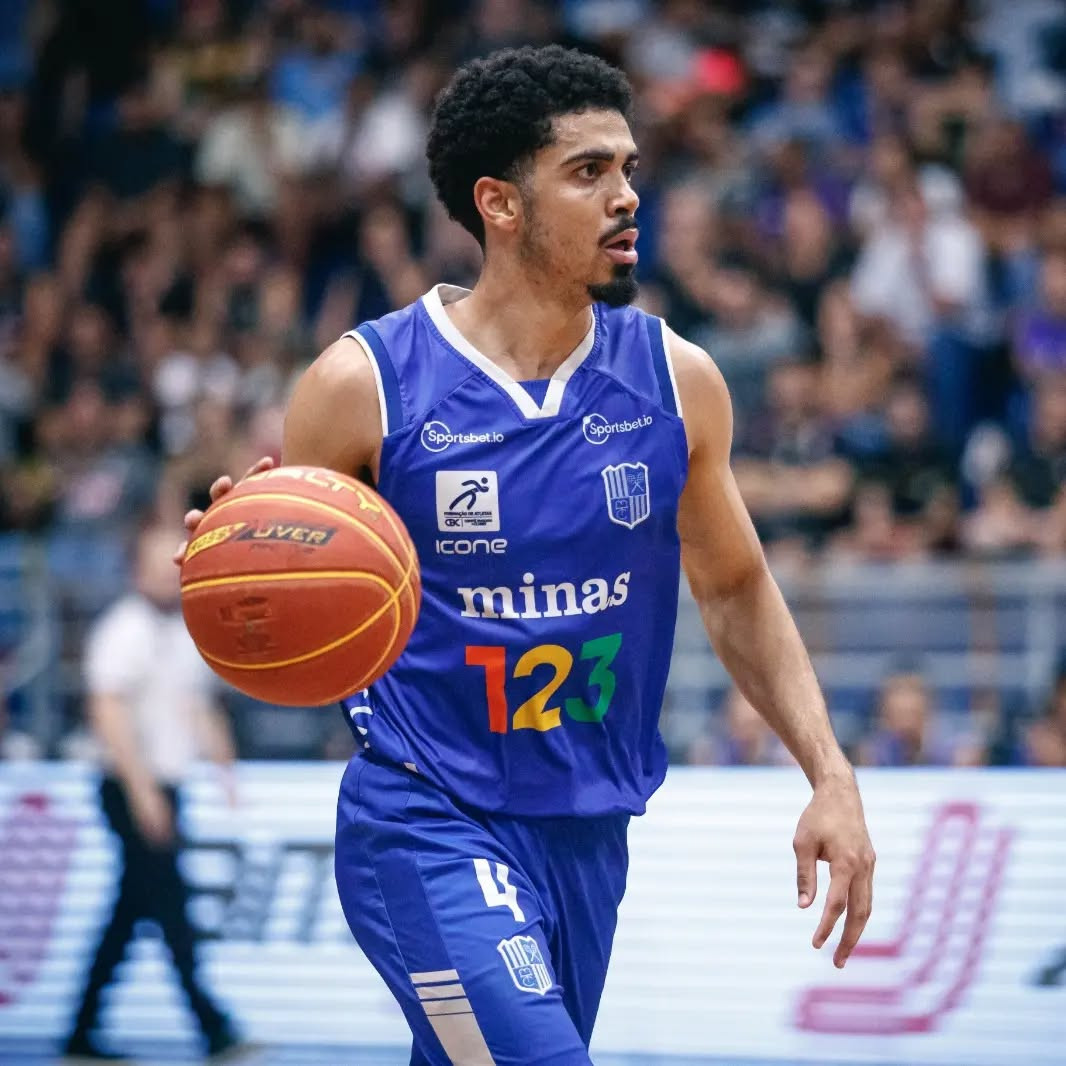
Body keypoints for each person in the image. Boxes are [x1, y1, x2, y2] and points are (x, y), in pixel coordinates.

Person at [179, 46, 875, 1065]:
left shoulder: (676, 381)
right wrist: (240, 559)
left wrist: (830, 772)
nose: (626, 196)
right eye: (588, 172)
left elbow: (734, 588)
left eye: (627, 168)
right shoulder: (363, 385)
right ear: (499, 204)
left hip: (587, 829)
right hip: (426, 816)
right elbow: (286, 578)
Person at [65, 524, 242, 1061]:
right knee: (170, 907)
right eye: (156, 563)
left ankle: (82, 1028)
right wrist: (143, 793)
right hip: (130, 785)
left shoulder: (185, 630)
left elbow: (197, 704)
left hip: (164, 785)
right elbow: (107, 712)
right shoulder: (125, 629)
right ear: (135, 569)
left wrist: (224, 766)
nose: (168, 573)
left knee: (131, 911)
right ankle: (213, 1027)